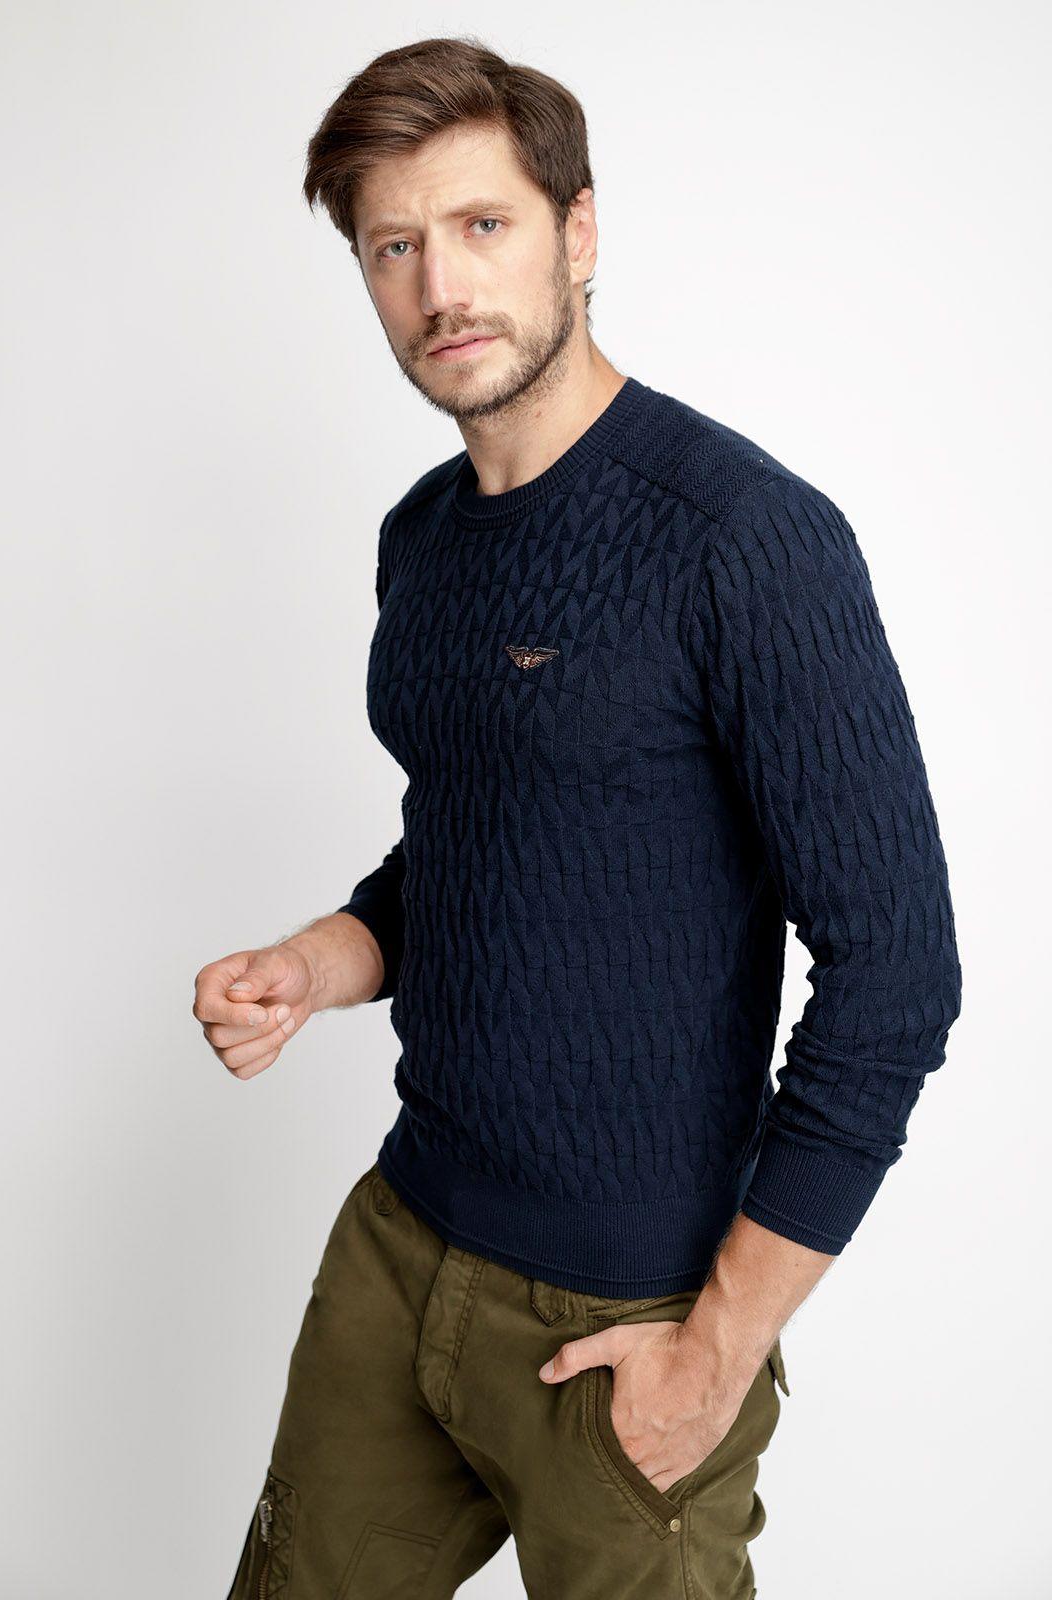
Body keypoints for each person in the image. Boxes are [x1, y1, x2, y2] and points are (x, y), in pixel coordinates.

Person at [196, 36, 962, 1599]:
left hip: (627, 1325)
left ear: (579, 230)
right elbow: (476, 846)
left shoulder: (748, 540)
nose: (440, 287)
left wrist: (717, 1349)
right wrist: (318, 964)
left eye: (482, 225)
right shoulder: (423, 540)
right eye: (393, 248)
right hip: (400, 1249)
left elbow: (898, 975)